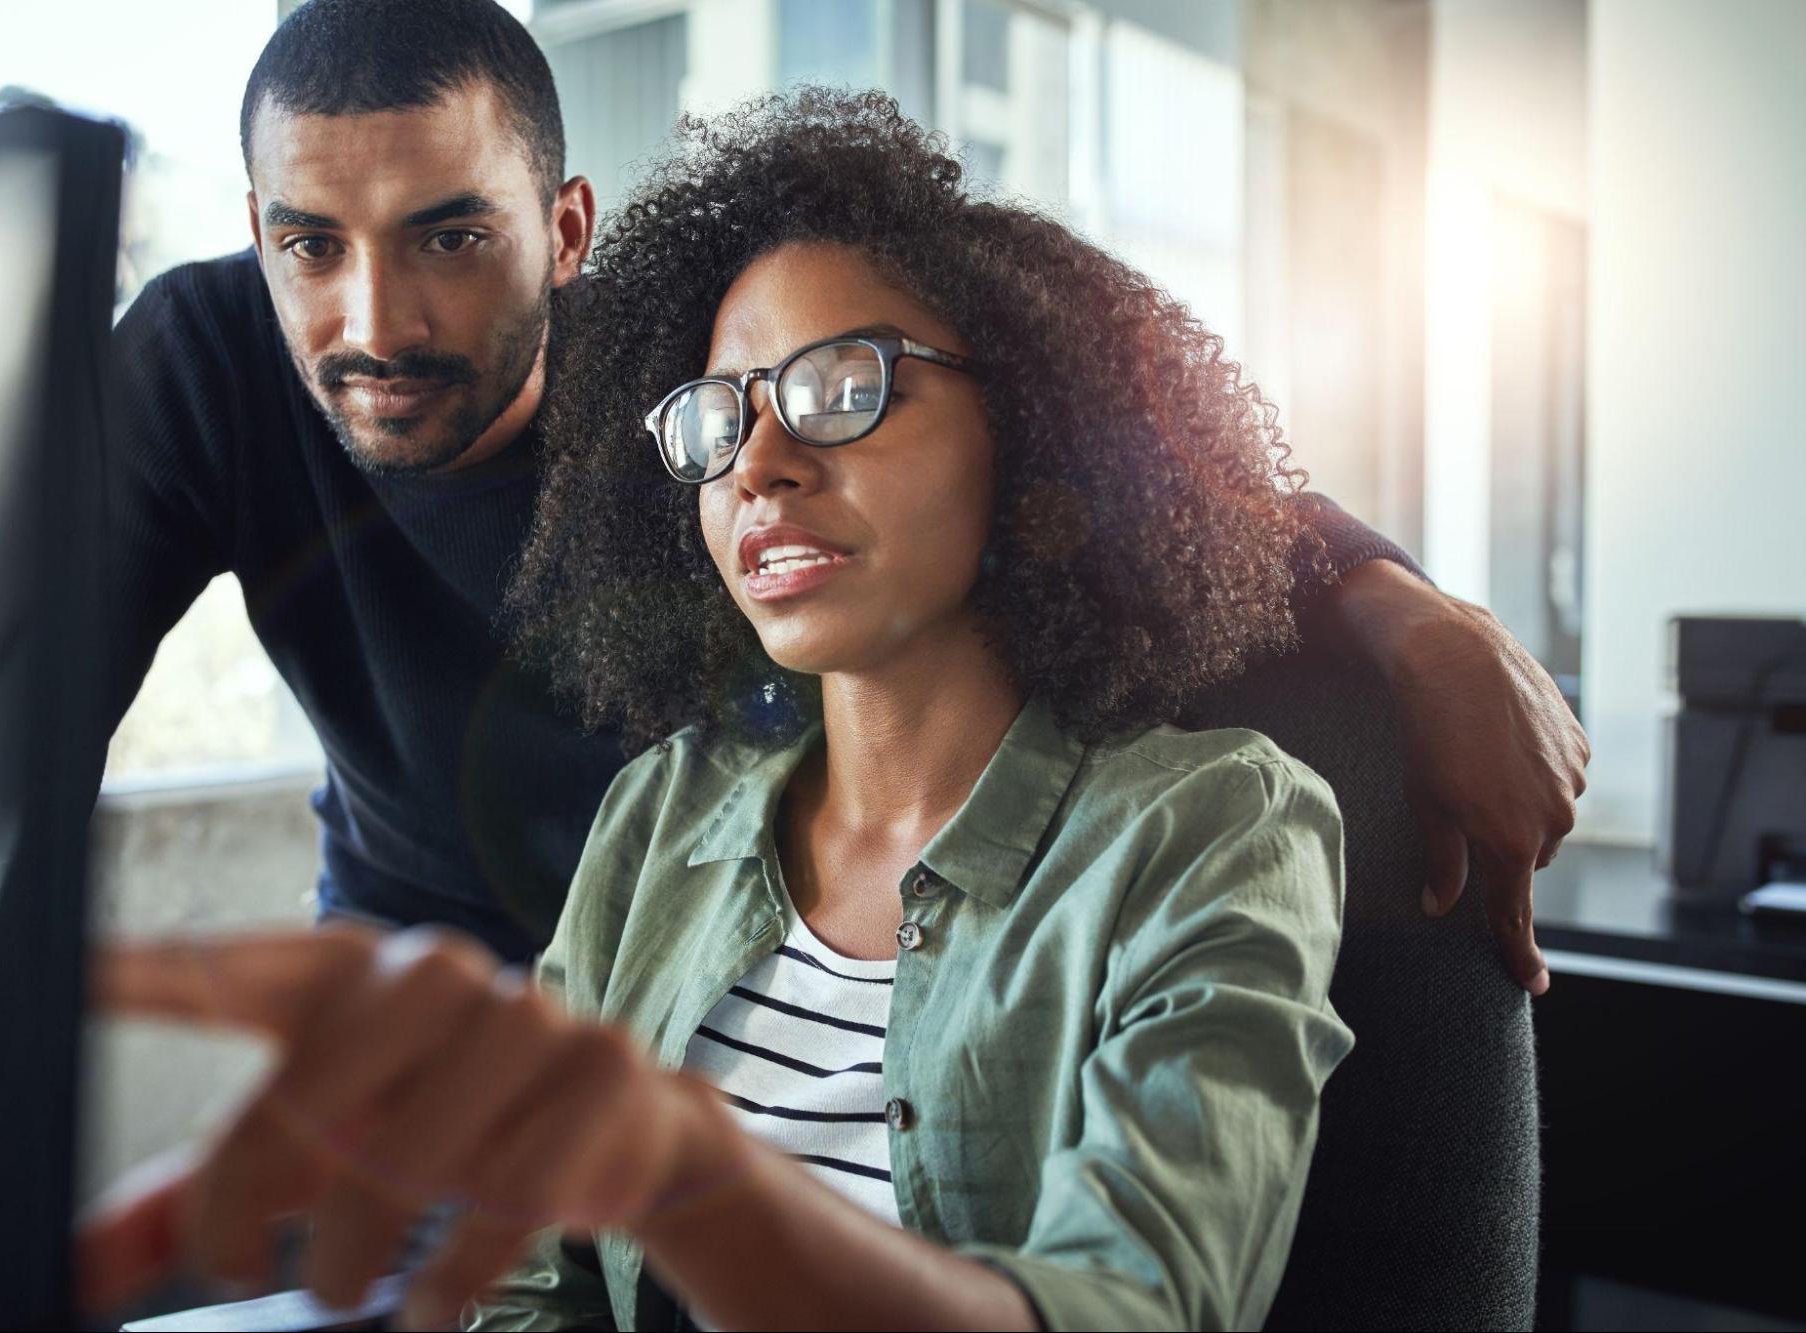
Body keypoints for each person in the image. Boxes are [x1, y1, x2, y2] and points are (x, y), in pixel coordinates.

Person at [80, 88, 1481, 1332]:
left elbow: (1131, 1302)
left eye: (840, 388)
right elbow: (525, 1287)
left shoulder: (1212, 824)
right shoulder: (666, 815)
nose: (758, 461)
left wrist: (695, 1178)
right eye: (719, 411)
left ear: (1035, 424)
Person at [108, 0, 1581, 990]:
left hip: (709, 995)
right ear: (257, 232)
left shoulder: (704, 382)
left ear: (564, 230)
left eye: (447, 238)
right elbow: (1, 701)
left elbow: (1124, 447)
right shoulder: (204, 362)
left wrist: (1408, 612)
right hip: (409, 1007)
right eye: (309, 246)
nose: (376, 321)